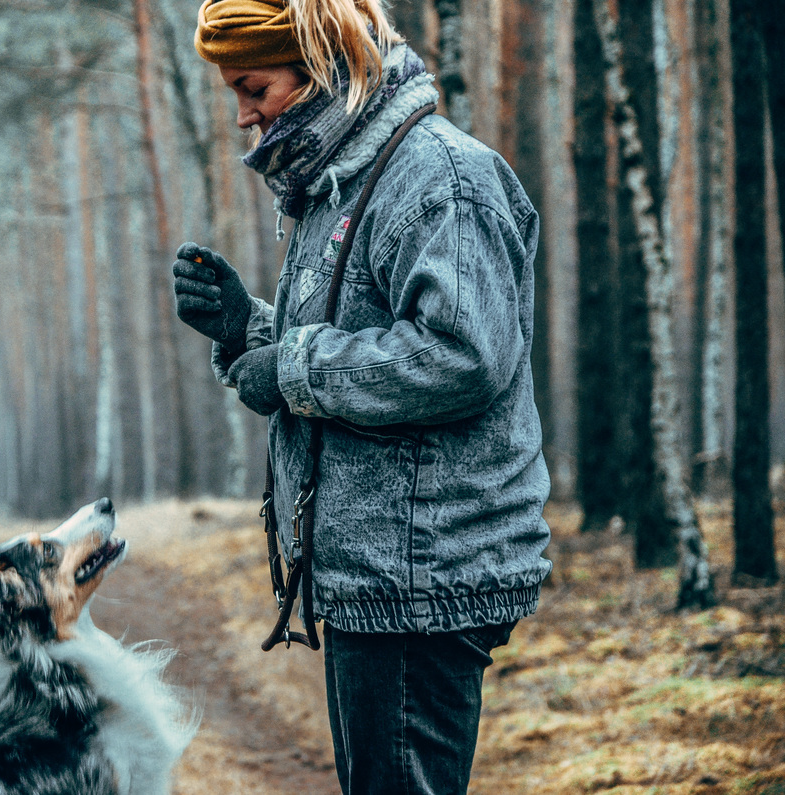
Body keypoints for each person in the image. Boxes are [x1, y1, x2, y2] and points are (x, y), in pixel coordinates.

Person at [171, 1, 553, 793]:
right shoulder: (340, 183)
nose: (242, 114)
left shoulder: (440, 179)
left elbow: (462, 356)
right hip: (379, 570)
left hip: (422, 572)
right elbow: (364, 340)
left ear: (319, 67)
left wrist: (292, 368)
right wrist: (250, 329)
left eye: (254, 87)